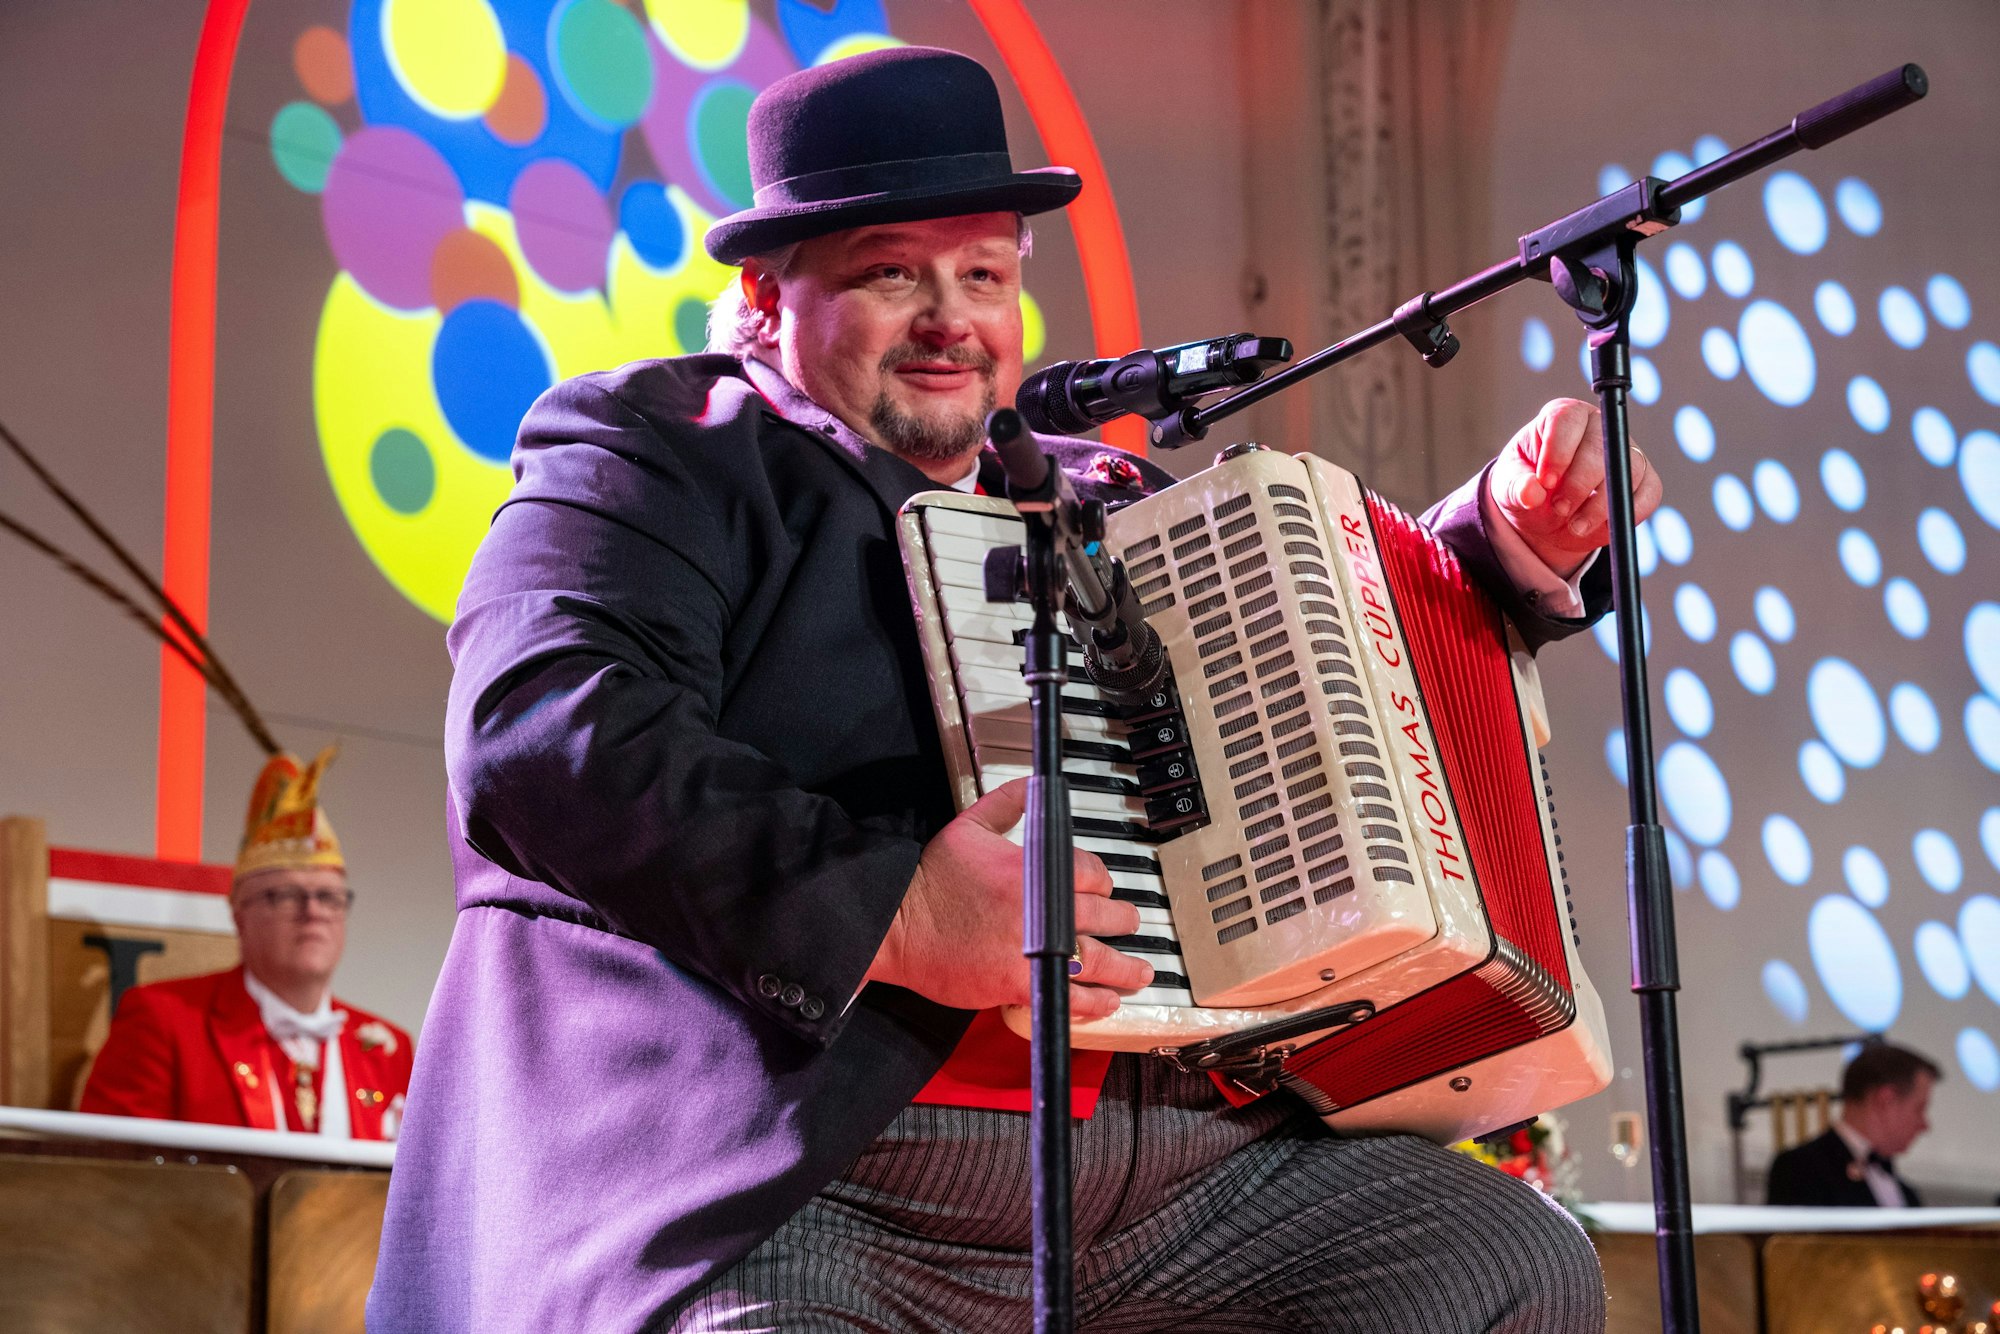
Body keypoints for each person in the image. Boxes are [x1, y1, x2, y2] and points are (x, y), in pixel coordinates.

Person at [370, 46, 1660, 1332]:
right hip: (818, 1170)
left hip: (1174, 1165)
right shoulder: (650, 452)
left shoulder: (1093, 493)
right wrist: (894, 911)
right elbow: (541, 726)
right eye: (891, 274)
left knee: (1500, 1264)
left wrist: (1503, 543)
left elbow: (1301, 649)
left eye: (982, 275)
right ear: (765, 299)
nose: (951, 320)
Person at [80, 749, 413, 1140]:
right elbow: (113, 1178)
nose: (313, 912)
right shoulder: (163, 1021)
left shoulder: (389, 1048)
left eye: (328, 897)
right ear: (239, 914)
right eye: (285, 895)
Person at [1766, 1042, 1939, 1208]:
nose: (1925, 1125)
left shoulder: (1908, 1194)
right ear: (1886, 1100)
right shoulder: (1800, 1170)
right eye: (1919, 1109)